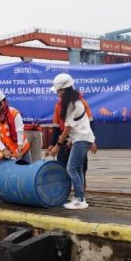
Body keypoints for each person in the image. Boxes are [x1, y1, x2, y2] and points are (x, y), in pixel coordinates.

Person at [45, 74, 95, 210]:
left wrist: (57, 146)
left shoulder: (72, 104)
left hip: (81, 139)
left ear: (64, 90)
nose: (57, 93)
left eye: (58, 90)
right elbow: (76, 125)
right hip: (82, 138)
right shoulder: (74, 102)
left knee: (71, 169)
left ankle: (80, 199)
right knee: (77, 169)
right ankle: (80, 197)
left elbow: (67, 128)